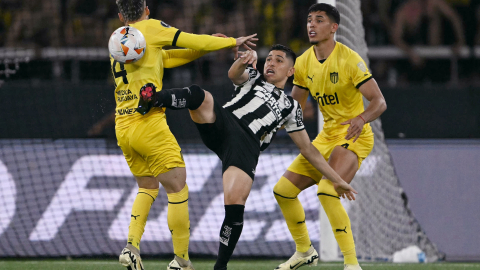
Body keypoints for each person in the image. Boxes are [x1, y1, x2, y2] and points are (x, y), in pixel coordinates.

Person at [137, 44, 358, 270]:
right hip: (224, 121)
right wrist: (243, 60)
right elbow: (233, 74)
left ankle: (220, 266)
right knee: (200, 95)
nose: (271, 63)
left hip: (245, 145)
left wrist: (336, 179)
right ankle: (153, 98)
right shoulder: (253, 77)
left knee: (234, 206)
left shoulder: (292, 107)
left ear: (291, 71)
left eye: (279, 60)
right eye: (269, 59)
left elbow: (308, 150)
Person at [112, 1, 258, 270]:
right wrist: (229, 43)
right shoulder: (152, 28)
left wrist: (199, 50)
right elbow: (189, 38)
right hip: (149, 123)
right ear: (146, 9)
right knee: (178, 188)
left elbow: (165, 58)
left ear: (121, 16)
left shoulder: (119, 40)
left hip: (123, 126)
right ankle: (181, 260)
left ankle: (131, 247)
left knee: (147, 187)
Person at [273, 4, 387, 270]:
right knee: (283, 191)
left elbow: (379, 102)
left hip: (354, 134)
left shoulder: (349, 59)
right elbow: (296, 106)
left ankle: (351, 264)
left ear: (334, 28)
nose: (311, 25)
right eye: (309, 20)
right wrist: (273, 122)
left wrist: (361, 118)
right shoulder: (302, 62)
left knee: (327, 190)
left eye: (319, 20)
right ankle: (304, 251)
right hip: (325, 137)